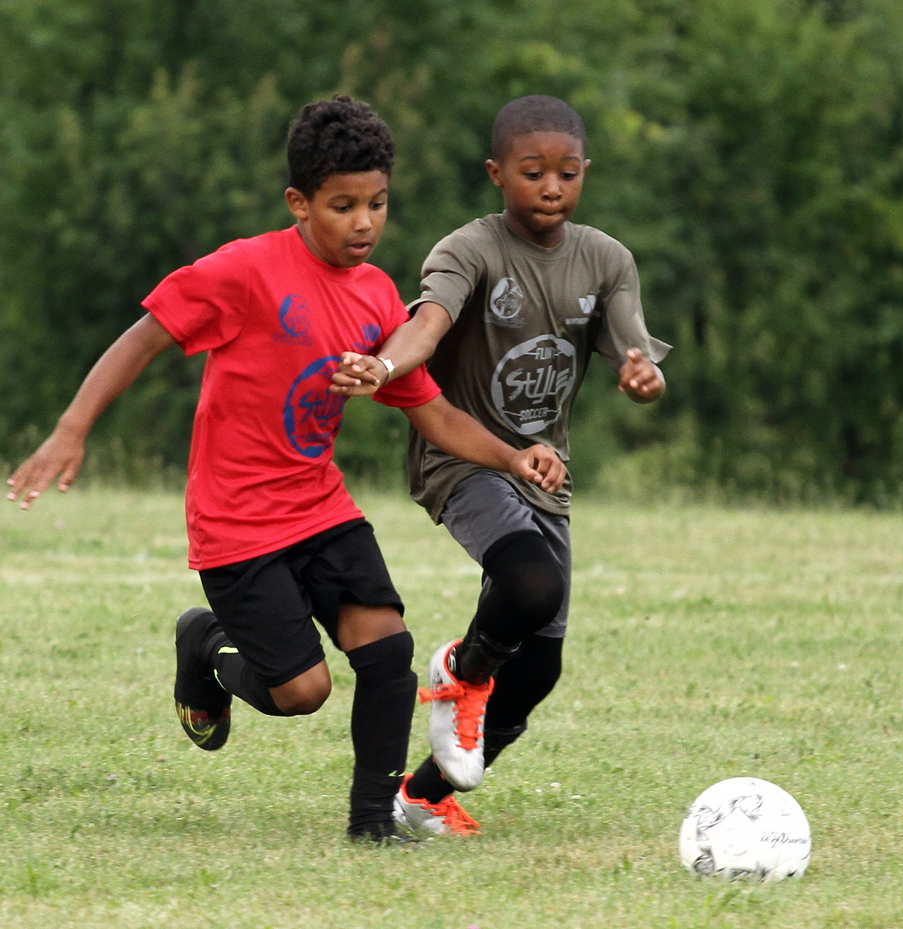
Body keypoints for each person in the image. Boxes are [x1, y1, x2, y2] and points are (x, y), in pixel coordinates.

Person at [5, 96, 566, 844]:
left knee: (389, 650)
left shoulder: (373, 297)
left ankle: (371, 825)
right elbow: (142, 339)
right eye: (343, 206)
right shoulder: (244, 271)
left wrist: (511, 455)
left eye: (377, 203)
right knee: (302, 691)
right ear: (298, 203)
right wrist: (71, 430)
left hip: (320, 508)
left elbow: (430, 412)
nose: (364, 222)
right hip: (235, 523)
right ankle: (204, 641)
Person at [330, 94, 670, 837]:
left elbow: (631, 345)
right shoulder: (468, 250)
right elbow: (426, 326)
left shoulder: (605, 258)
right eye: (532, 171)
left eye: (567, 173)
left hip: (543, 470)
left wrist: (642, 373)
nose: (551, 186)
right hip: (460, 457)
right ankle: (459, 670)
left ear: (584, 174)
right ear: (496, 174)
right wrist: (384, 365)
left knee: (539, 668)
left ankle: (420, 796)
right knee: (527, 582)